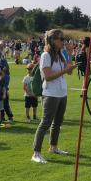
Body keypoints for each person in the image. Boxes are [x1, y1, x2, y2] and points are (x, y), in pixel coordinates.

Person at [31, 29, 76, 164]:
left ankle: (53, 147)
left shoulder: (60, 54)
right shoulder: (46, 55)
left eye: (64, 39)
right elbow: (48, 77)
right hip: (50, 94)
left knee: (58, 123)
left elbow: (69, 72)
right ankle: (36, 153)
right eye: (61, 39)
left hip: (62, 93)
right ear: (52, 40)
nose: (64, 41)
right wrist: (65, 70)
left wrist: (69, 53)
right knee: (45, 123)